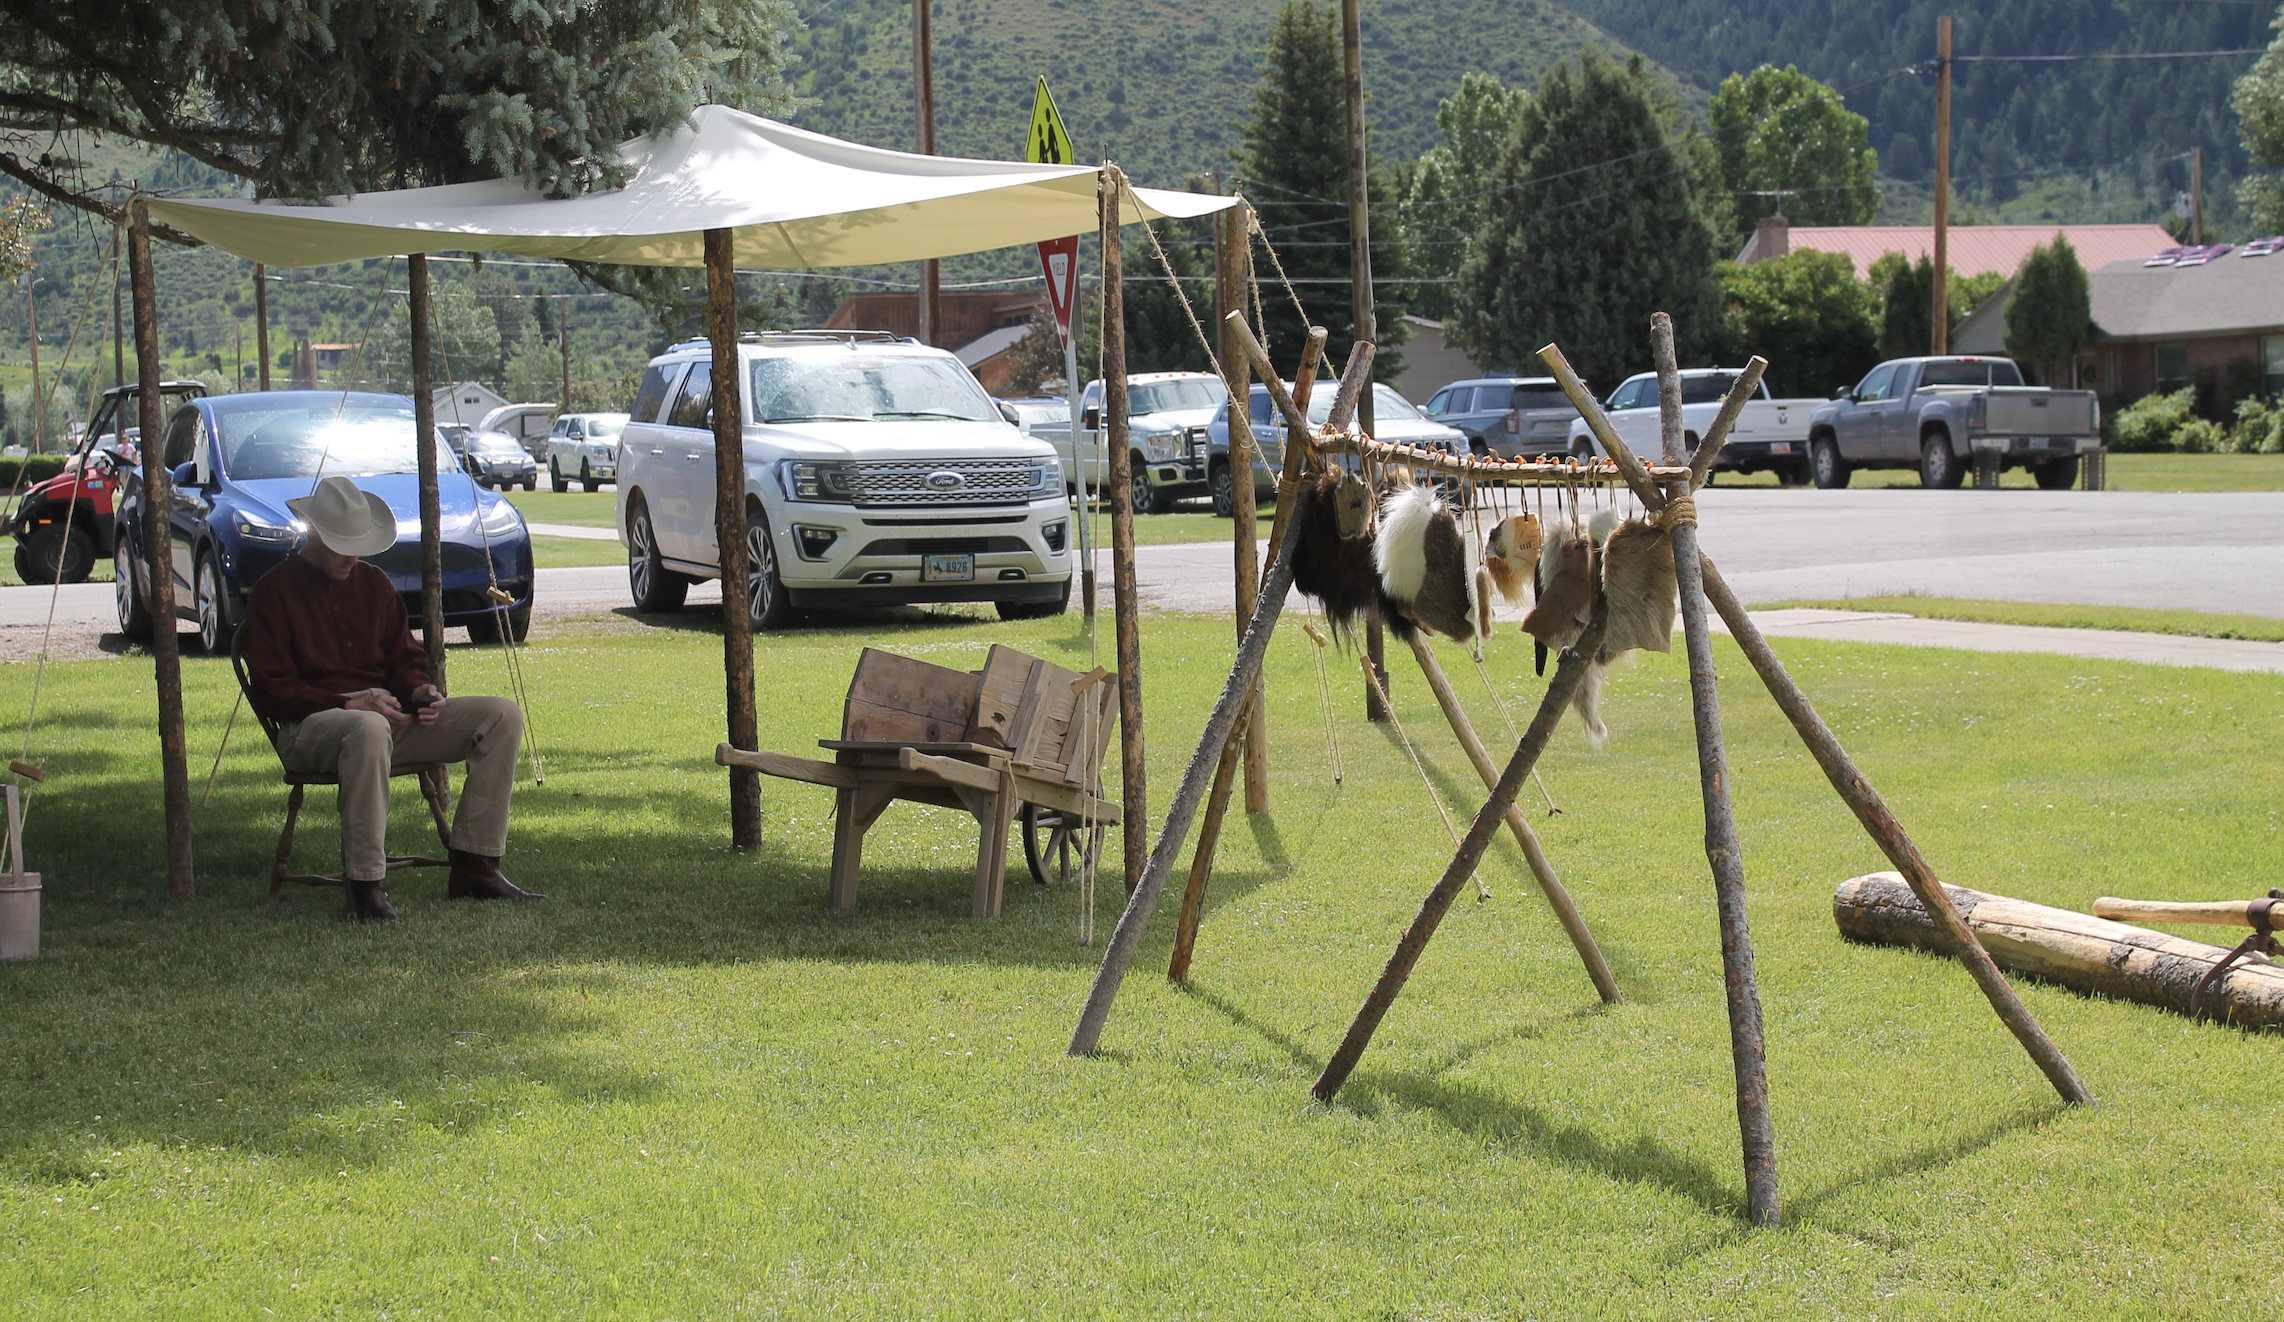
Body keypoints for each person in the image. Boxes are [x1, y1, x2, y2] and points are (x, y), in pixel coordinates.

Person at [240, 475, 543, 922]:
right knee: (367, 727)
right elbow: (273, 689)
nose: (352, 556)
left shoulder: (373, 584)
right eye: (342, 545)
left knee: (501, 715)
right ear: (315, 534)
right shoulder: (274, 592)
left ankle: (476, 866)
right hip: (311, 726)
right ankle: (366, 887)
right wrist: (348, 704)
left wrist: (420, 691)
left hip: (386, 719)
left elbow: (403, 658)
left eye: (358, 545)